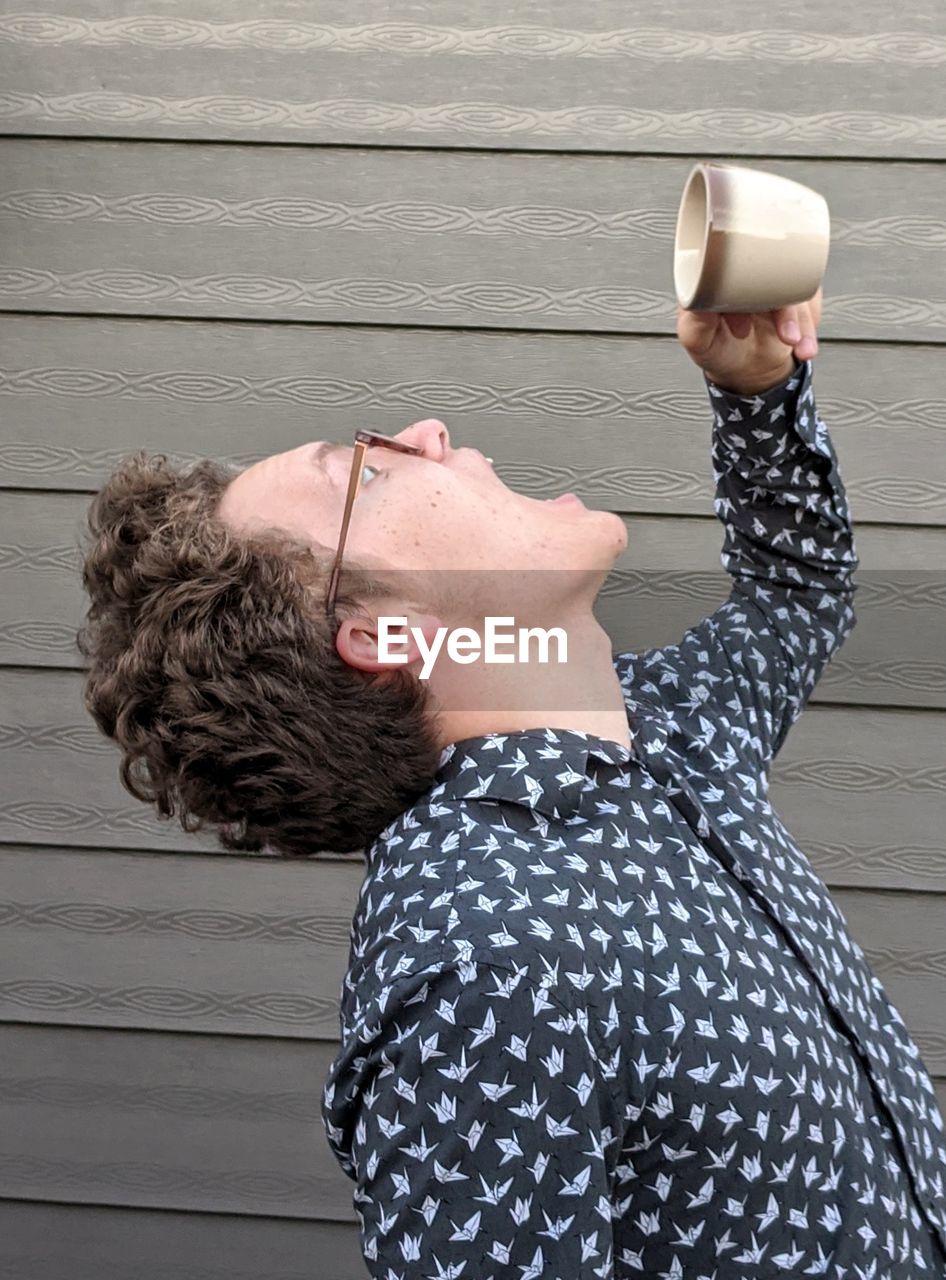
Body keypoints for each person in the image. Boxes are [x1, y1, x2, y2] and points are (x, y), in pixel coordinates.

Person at [78, 292, 946, 1276]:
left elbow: (798, 590)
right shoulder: (478, 953)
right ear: (380, 635)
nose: (427, 432)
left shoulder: (664, 728)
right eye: (365, 466)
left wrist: (755, 393)